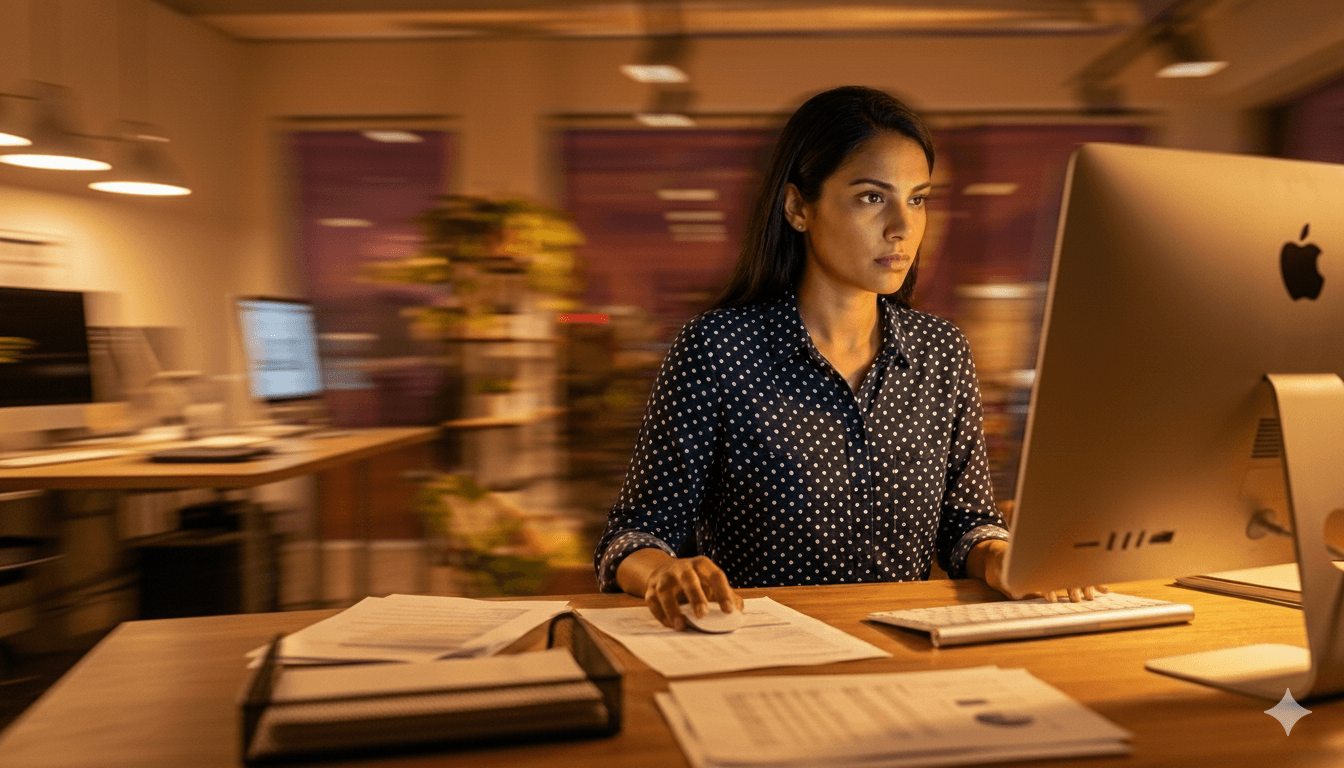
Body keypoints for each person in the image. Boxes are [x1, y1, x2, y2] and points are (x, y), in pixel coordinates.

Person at [593, 85, 1100, 630]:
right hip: (762, 657)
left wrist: (1004, 557)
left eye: (918, 198)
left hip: (906, 654)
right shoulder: (717, 348)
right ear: (797, 208)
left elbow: (967, 525)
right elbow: (633, 536)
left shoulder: (942, 352)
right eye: (871, 197)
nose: (903, 227)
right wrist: (663, 571)